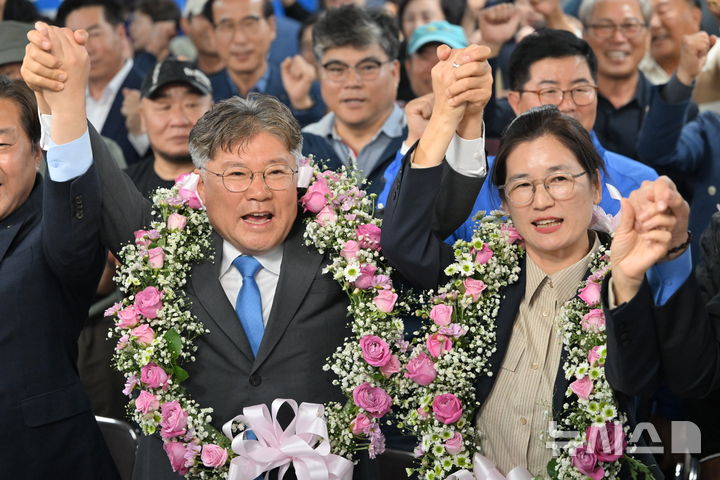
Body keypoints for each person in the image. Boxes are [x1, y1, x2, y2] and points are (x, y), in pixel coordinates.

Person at [22, 22, 376, 480]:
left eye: (275, 172)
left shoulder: (343, 253)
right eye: (236, 175)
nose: (259, 192)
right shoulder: (163, 249)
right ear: (201, 187)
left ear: (299, 177)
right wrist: (63, 96)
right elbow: (99, 178)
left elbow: (417, 234)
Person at [380, 42, 687, 477]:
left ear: (596, 187)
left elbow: (657, 380)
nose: (542, 201)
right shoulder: (480, 282)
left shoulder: (628, 284)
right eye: (522, 186)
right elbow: (403, 243)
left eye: (560, 179)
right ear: (504, 202)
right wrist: (448, 117)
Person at [0, 74, 119, 478]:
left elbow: (71, 199)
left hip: (44, 460)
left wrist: (63, 105)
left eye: (1, 144)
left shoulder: (54, 227)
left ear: (36, 152)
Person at [302, 5, 406, 196]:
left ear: (394, 72)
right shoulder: (301, 147)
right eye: (336, 69)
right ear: (320, 73)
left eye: (367, 67)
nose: (352, 82)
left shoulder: (422, 138)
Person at [579, 0, 704, 161]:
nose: (618, 38)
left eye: (630, 26)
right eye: (604, 27)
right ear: (584, 34)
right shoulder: (568, 106)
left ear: (647, 34)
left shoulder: (676, 112)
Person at [201, 0, 325, 127]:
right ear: (212, 34)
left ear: (271, 26)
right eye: (227, 26)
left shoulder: (308, 91)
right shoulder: (201, 94)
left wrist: (301, 105)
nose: (240, 39)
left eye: (249, 24)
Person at [55, 0, 148, 165]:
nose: (87, 48)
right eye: (75, 37)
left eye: (94, 34)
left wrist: (140, 134)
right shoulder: (62, 97)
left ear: (120, 33)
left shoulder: (148, 91)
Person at [126, 58, 214, 197]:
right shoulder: (123, 188)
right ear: (142, 117)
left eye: (191, 105)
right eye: (164, 107)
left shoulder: (231, 184)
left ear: (212, 111)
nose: (178, 120)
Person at [128, 0, 181, 75]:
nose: (131, 28)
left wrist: (151, 51)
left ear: (160, 27)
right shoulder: (132, 60)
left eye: (137, 22)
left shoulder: (177, 69)